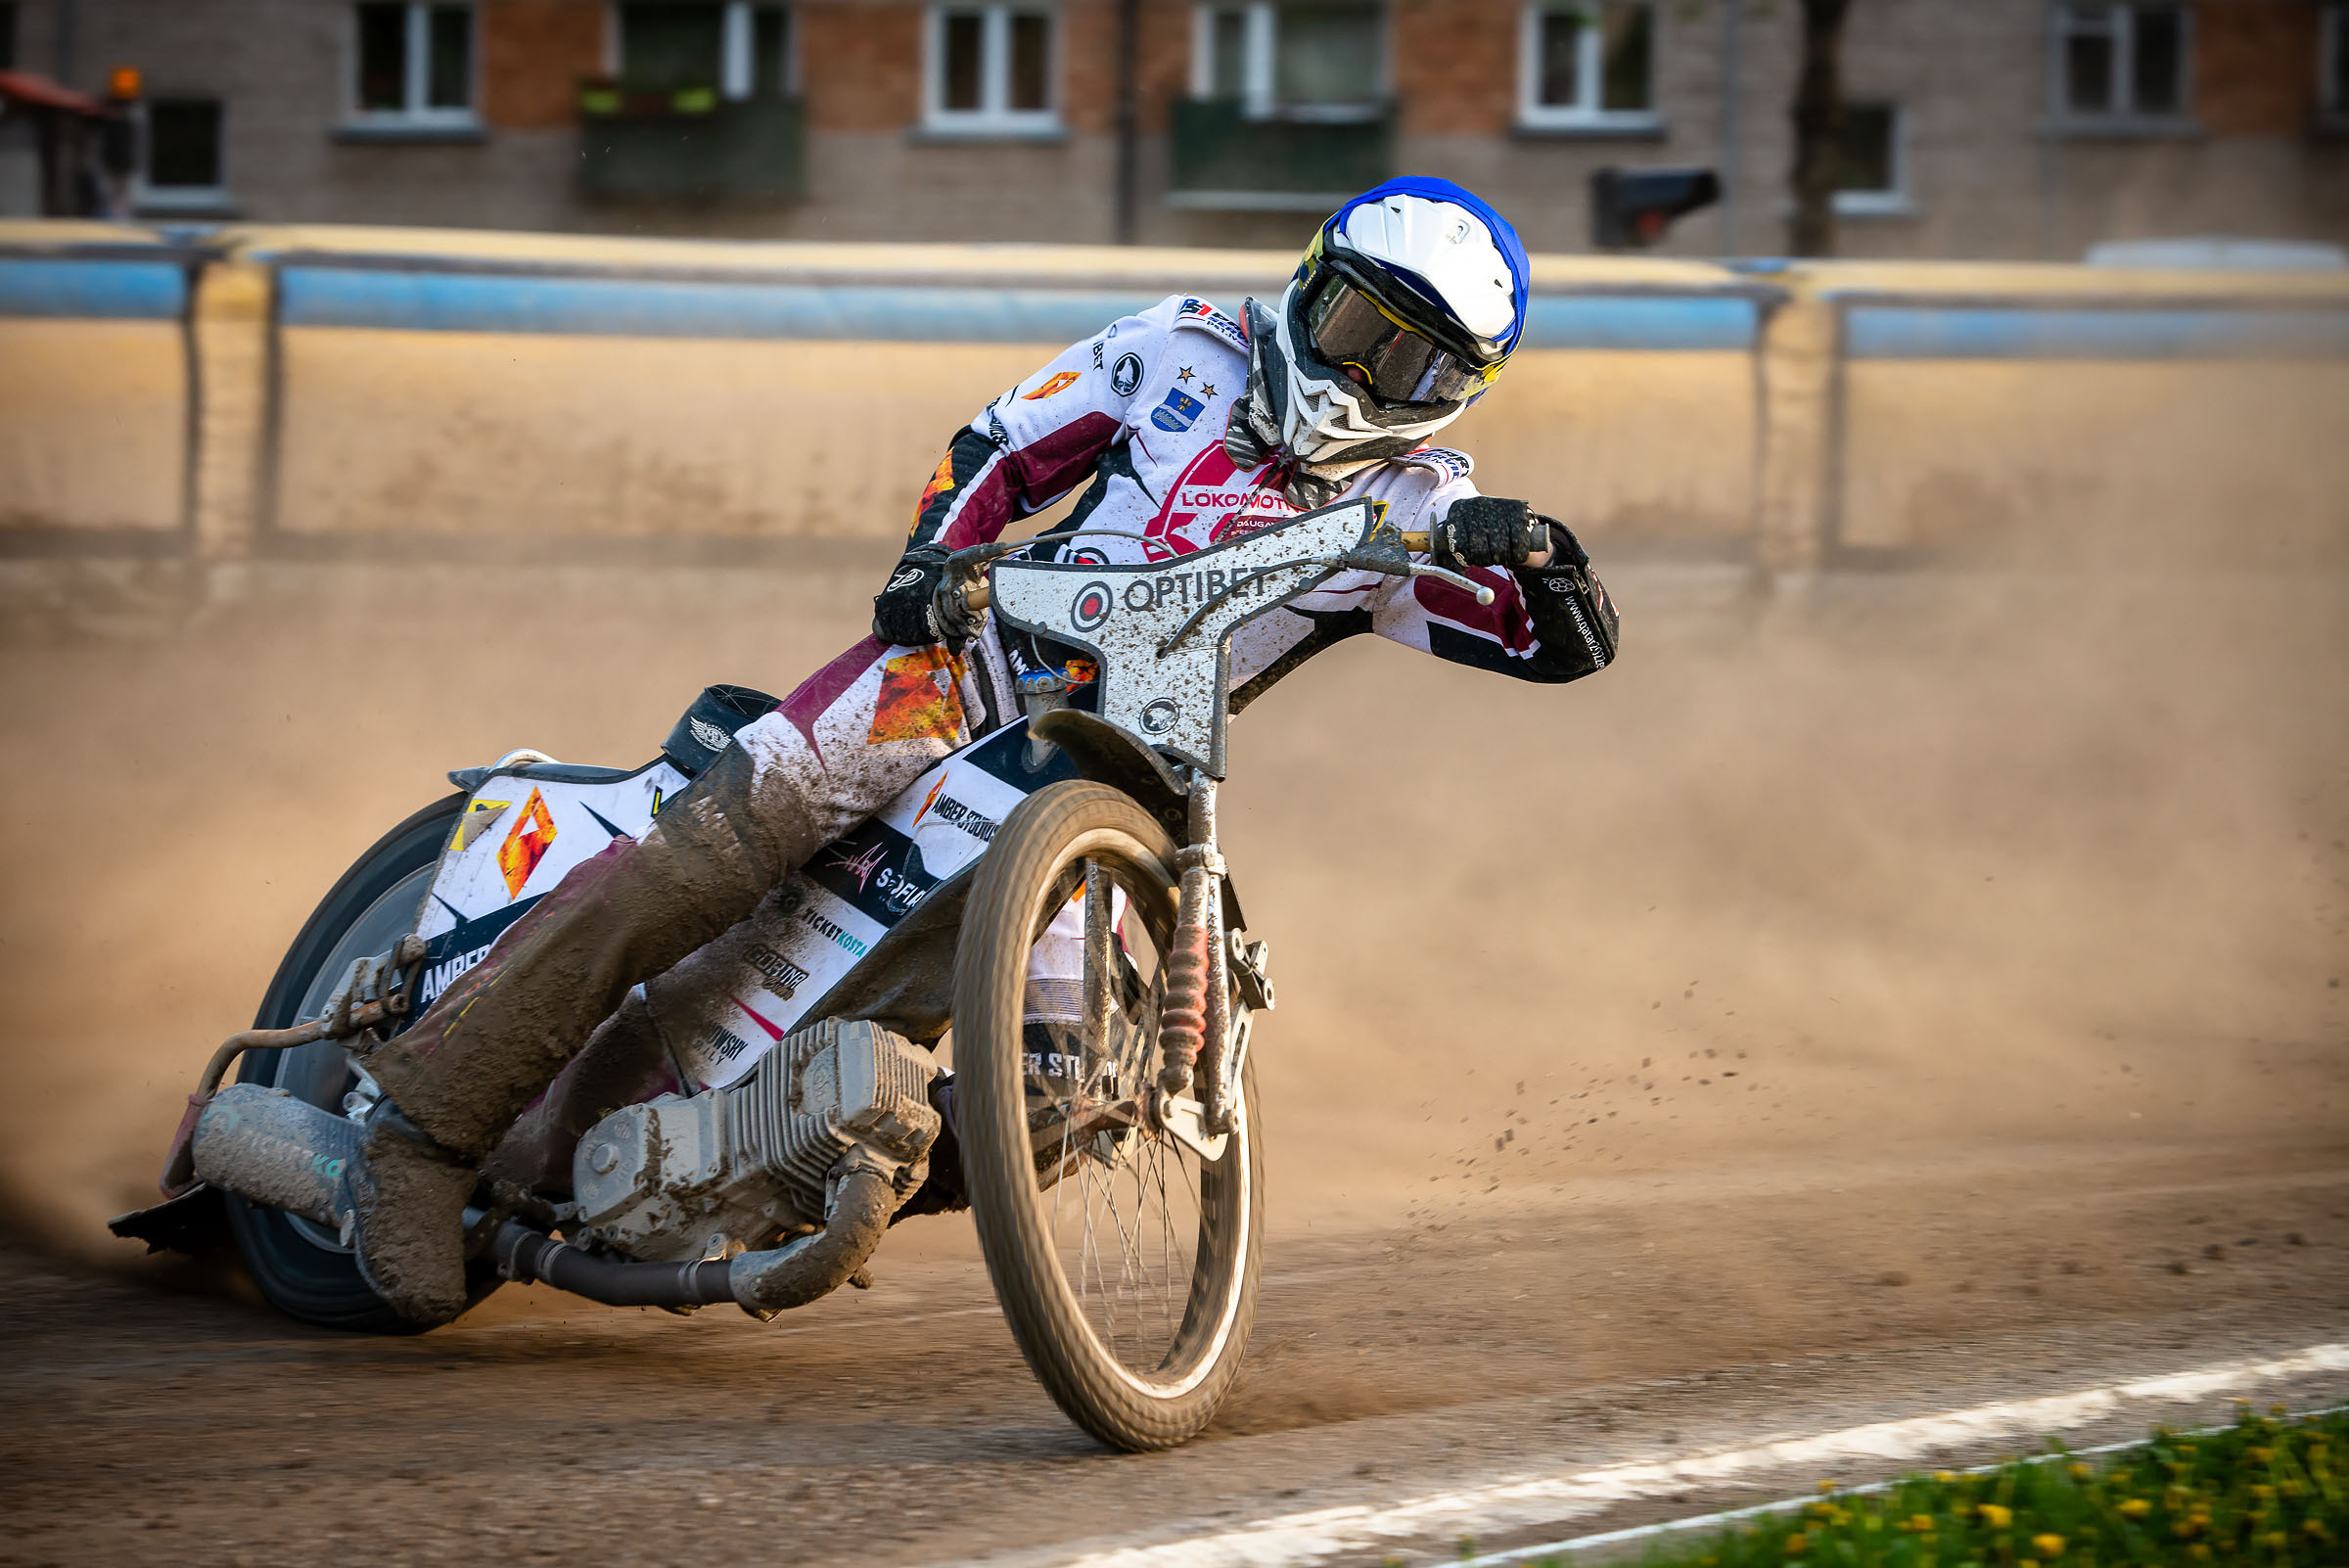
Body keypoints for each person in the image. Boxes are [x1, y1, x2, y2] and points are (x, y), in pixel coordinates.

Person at [345, 176, 1620, 1326]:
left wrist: (1553, 572)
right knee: (705, 861)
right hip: (958, 671)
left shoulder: (1410, 510)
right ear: (1306, 287)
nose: (1366, 371)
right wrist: (933, 565)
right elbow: (1001, 447)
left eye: (1412, 366)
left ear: (1455, 398)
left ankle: (808, 1164)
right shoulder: (1180, 347)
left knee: (1068, 1101)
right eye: (1357, 326)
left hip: (1094, 788)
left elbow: (1532, 635)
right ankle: (422, 1129)